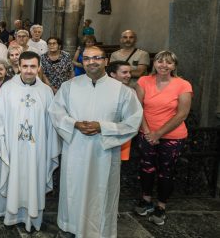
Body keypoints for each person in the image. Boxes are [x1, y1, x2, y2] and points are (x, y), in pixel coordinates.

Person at [47, 46, 143, 237]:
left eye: (97, 58)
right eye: (87, 58)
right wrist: (74, 124)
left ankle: (100, 230)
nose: (92, 62)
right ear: (82, 62)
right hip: (76, 148)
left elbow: (133, 121)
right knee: (73, 188)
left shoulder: (122, 91)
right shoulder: (69, 86)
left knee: (102, 191)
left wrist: (102, 127)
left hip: (104, 151)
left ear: (106, 61)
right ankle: (71, 225)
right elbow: (56, 112)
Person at [0, 51, 60, 232]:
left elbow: (51, 124)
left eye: (33, 66)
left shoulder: (46, 91)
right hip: (12, 148)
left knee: (34, 179)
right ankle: (10, 215)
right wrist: (0, 143)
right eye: (25, 66)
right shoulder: (8, 89)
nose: (28, 70)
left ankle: (31, 218)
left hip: (37, 150)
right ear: (18, 67)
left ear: (39, 67)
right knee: (12, 177)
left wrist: (50, 148)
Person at [134, 51, 192, 226]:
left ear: (174, 66)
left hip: (172, 136)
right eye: (160, 61)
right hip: (146, 132)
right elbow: (138, 108)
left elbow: (182, 114)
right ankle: (146, 199)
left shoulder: (183, 85)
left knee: (166, 171)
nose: (163, 65)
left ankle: (161, 206)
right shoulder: (143, 81)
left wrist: (158, 134)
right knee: (146, 168)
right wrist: (147, 132)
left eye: (168, 62)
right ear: (154, 63)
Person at [108, 60, 134, 160]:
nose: (129, 75)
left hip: (123, 132)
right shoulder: (102, 90)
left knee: (119, 161)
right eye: (124, 72)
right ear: (113, 74)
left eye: (129, 72)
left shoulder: (131, 91)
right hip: (106, 131)